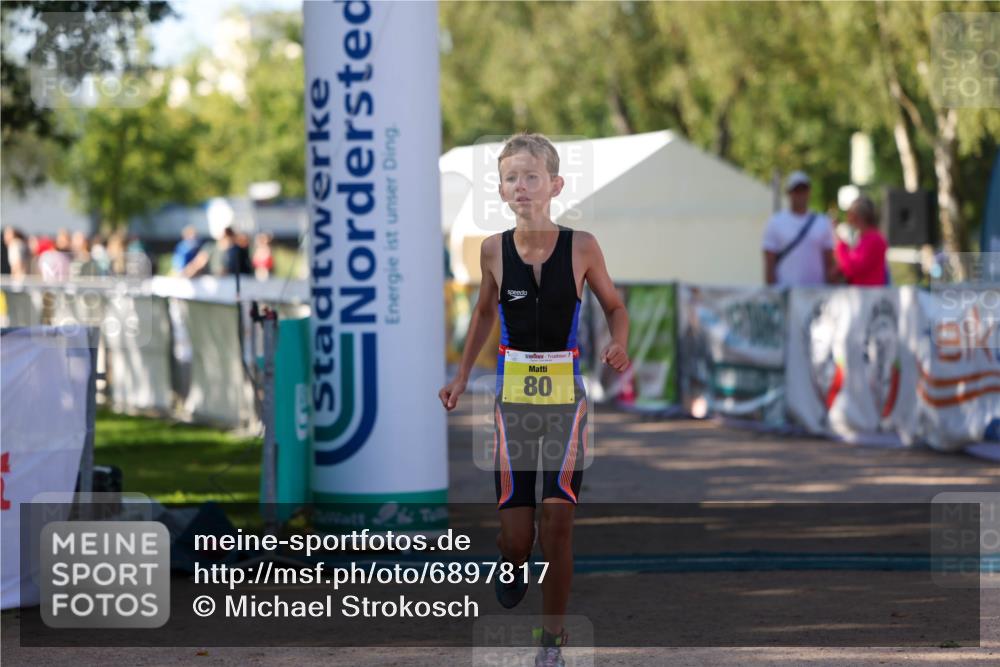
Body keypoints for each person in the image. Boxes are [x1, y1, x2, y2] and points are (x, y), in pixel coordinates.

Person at [439, 133, 629, 667]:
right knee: (518, 538)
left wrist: (619, 342)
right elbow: (483, 313)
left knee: (558, 526)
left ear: (555, 185)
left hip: (567, 405)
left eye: (531, 176)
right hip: (513, 407)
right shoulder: (492, 250)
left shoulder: (582, 246)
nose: (521, 186)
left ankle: (552, 641)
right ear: (501, 190)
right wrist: (460, 377)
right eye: (511, 178)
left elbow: (616, 307)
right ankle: (512, 559)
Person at [762, 171, 835, 286]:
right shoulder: (775, 222)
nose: (800, 194)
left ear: (809, 192)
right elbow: (769, 260)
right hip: (785, 291)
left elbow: (829, 260)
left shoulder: (822, 222)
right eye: (796, 190)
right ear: (789, 193)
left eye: (803, 190)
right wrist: (771, 290)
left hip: (816, 291)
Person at [832, 195, 888, 286]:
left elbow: (853, 269)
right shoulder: (866, 238)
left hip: (868, 293)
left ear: (858, 217)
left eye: (850, 215)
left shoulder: (874, 239)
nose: (848, 219)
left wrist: (841, 246)